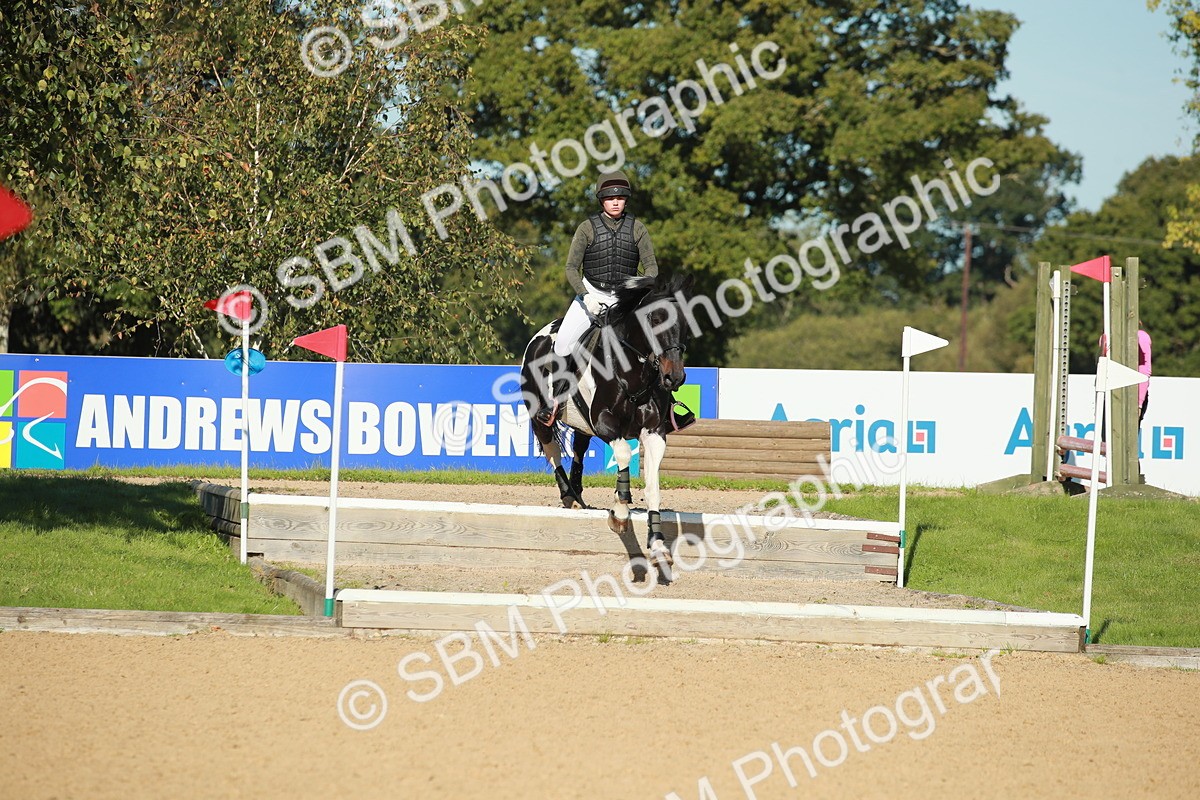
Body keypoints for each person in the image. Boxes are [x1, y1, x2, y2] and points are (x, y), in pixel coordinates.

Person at [535, 170, 659, 425]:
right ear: (601, 200)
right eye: (610, 198)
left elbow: (652, 269)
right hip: (591, 295)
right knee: (563, 344)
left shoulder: (638, 228)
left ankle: (664, 406)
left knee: (659, 338)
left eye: (620, 198)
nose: (615, 202)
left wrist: (635, 290)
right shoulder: (586, 228)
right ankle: (554, 403)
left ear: (626, 200)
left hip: (626, 299)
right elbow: (571, 268)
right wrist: (585, 296)